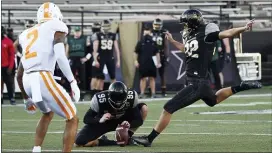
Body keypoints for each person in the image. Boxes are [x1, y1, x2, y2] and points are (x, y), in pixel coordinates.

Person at [132, 9, 262, 147]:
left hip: (196, 82)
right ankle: (241, 86)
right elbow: (185, 48)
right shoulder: (192, 36)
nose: (184, 26)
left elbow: (227, 33)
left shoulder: (206, 34)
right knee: (214, 100)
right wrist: (172, 41)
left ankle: (149, 139)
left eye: (186, 24)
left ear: (192, 23)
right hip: (202, 82)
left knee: (167, 108)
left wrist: (244, 28)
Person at [16, 2, 80, 152]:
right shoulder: (56, 26)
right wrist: (72, 81)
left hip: (27, 79)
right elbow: (60, 55)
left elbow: (19, 73)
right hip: (42, 76)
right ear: (56, 16)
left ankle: (36, 149)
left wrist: (26, 99)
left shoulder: (27, 34)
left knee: (47, 113)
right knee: (72, 118)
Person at [75, 81, 148, 147]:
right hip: (105, 123)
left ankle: (127, 137)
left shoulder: (131, 97)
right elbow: (86, 118)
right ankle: (108, 142)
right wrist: (100, 119)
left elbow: (139, 120)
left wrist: (129, 124)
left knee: (144, 108)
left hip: (123, 120)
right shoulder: (100, 100)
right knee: (79, 141)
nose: (118, 105)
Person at [92, 20, 121, 91]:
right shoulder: (97, 35)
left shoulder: (113, 35)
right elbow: (95, 50)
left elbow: (117, 49)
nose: (105, 28)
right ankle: (95, 91)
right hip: (101, 57)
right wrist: (95, 60)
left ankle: (114, 91)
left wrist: (118, 61)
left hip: (110, 57)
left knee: (113, 76)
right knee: (98, 76)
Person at [134, 25, 161, 98]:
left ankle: (153, 93)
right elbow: (136, 52)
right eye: (145, 34)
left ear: (151, 34)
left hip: (152, 63)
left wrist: (158, 62)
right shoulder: (140, 42)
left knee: (152, 78)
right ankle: (142, 93)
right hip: (142, 62)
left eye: (148, 34)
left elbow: (157, 53)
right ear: (143, 34)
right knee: (143, 78)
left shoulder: (153, 42)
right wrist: (135, 61)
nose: (146, 36)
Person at [66, 26, 91, 91]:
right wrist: (66, 59)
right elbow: (67, 50)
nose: (77, 33)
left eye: (78, 31)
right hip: (72, 58)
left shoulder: (85, 38)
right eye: (76, 32)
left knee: (82, 76)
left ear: (80, 32)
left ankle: (82, 90)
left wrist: (86, 58)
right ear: (73, 32)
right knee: (71, 76)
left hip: (81, 59)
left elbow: (90, 50)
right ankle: (70, 90)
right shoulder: (69, 38)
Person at [152, 18, 169, 97]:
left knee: (162, 74)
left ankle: (163, 91)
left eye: (158, 25)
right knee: (151, 74)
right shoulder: (150, 32)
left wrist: (167, 56)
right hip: (152, 55)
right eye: (155, 24)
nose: (156, 26)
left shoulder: (164, 32)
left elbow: (166, 45)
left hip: (161, 55)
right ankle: (152, 91)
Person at [1, 26, 16, 105]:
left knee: (9, 83)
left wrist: (10, 67)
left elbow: (12, 56)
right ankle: (1, 98)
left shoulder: (8, 41)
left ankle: (11, 98)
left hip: (6, 66)